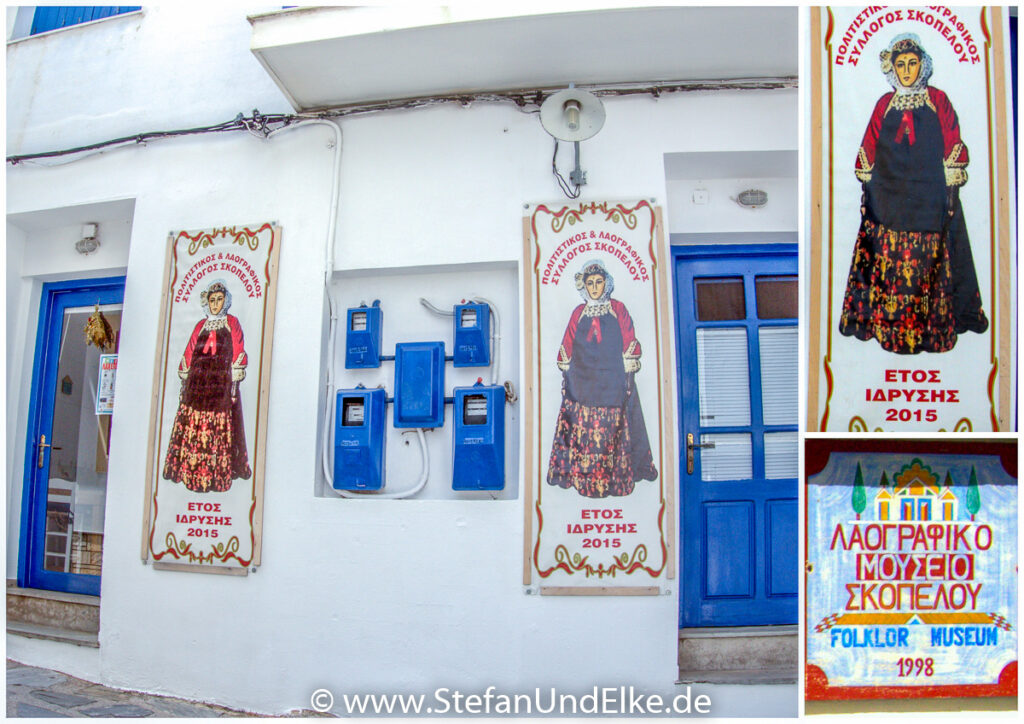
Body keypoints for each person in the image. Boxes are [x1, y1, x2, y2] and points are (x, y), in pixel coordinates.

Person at [838, 33, 988, 354]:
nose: (907, 70)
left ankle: (931, 330)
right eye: (900, 64)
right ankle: (884, 326)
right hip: (889, 196)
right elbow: (869, 144)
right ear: (892, 69)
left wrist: (950, 183)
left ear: (923, 65)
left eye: (912, 63)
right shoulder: (885, 104)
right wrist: (867, 184)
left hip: (930, 194)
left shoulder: (938, 99)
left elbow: (952, 140)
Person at [546, 259, 657, 498]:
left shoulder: (617, 308)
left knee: (616, 424)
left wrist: (629, 364)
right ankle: (580, 477)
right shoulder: (579, 312)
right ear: (584, 287)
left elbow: (629, 337)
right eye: (590, 283)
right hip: (583, 378)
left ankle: (614, 479)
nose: (594, 287)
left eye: (598, 282)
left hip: (612, 377)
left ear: (606, 283)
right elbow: (567, 340)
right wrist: (565, 366)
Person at [163, 279, 251, 492]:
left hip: (220, 383)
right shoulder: (200, 325)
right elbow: (190, 348)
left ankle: (215, 474)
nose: (215, 304)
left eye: (219, 299)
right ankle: (190, 471)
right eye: (212, 300)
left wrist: (236, 369)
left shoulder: (231, 322)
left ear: (225, 301)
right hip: (198, 383)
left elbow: (238, 345)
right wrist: (185, 371)